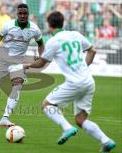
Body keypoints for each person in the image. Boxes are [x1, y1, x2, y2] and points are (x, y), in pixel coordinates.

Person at [23, 11, 116, 152]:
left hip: (75, 83)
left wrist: (27, 65)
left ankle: (67, 128)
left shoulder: (53, 41)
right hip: (89, 81)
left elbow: (41, 63)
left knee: (47, 104)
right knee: (80, 120)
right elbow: (92, 51)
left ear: (49, 25)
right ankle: (106, 141)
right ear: (63, 22)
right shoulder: (75, 35)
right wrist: (83, 68)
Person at [0, 3, 44, 127]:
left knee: (17, 83)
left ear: (28, 14)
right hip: (3, 60)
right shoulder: (8, 25)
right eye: (20, 13)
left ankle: (5, 118)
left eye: (25, 13)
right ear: (17, 14)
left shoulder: (34, 29)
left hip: (18, 62)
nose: (22, 16)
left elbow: (41, 43)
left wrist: (42, 56)